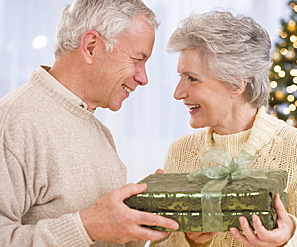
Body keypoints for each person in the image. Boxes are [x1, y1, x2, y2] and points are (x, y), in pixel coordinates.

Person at [0, 0, 179, 246]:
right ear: (91, 46)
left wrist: (140, 214)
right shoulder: (13, 123)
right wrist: (87, 227)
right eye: (138, 59)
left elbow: (107, 236)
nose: (143, 77)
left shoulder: (99, 132)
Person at [150, 10, 297, 247]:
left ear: (236, 84)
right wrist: (190, 240)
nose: (178, 93)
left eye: (192, 78)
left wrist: (286, 241)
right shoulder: (180, 152)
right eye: (180, 77)